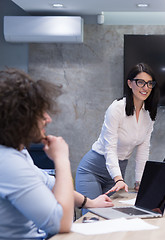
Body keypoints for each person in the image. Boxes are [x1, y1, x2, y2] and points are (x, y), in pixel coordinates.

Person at [0, 69, 114, 239]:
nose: (48, 119)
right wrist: (61, 159)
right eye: (40, 113)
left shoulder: (17, 152)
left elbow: (50, 183)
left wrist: (90, 203)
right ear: (20, 118)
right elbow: (61, 223)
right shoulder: (8, 162)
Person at [76, 63, 160, 204]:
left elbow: (143, 151)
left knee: (111, 213)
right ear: (129, 83)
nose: (145, 88)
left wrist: (139, 180)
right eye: (140, 82)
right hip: (93, 170)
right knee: (93, 214)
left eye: (149, 83)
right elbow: (110, 147)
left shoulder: (148, 115)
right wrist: (118, 179)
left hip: (119, 169)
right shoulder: (116, 108)